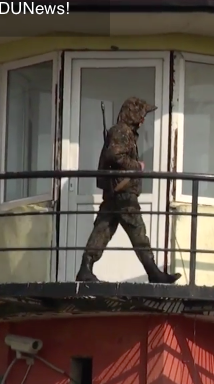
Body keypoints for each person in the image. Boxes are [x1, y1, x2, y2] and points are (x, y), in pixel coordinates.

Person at [76, 97, 181, 284]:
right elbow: (114, 154)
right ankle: (153, 273)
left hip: (116, 191)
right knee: (137, 230)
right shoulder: (122, 131)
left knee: (103, 229)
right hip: (123, 192)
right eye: (141, 114)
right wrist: (137, 166)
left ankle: (86, 268)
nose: (143, 119)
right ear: (133, 114)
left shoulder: (123, 131)